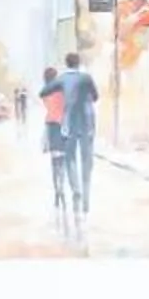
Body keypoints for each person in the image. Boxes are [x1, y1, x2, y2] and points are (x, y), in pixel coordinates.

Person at [51, 50, 101, 214]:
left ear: (67, 63)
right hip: (87, 123)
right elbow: (95, 97)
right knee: (87, 161)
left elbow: (52, 95)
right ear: (78, 63)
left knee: (70, 157)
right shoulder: (86, 78)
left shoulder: (62, 79)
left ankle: (76, 189)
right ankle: (86, 198)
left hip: (70, 123)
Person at [39, 66, 70, 212]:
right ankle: (62, 184)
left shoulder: (46, 93)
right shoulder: (61, 91)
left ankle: (56, 189)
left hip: (51, 125)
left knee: (53, 160)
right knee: (62, 159)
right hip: (62, 125)